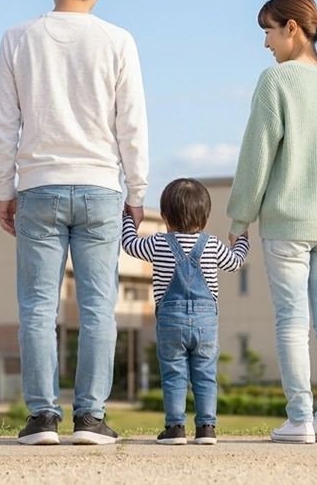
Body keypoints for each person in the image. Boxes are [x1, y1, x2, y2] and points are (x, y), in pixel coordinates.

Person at [0, 0, 149, 445]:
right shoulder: (118, 40)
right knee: (99, 307)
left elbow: (3, 123)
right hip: (103, 187)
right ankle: (90, 418)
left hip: (38, 187)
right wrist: (138, 188)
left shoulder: (18, 38)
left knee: (38, 307)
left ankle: (41, 418)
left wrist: (3, 188)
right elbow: (133, 124)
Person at [226, 0, 317, 444]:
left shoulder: (275, 81)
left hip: (287, 224)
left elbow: (256, 157)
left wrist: (240, 217)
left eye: (267, 30)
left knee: (292, 322)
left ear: (291, 28)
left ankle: (300, 421)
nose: (265, 43)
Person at [121, 178, 248, 445]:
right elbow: (236, 262)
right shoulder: (211, 245)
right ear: (205, 216)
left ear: (165, 216)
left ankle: (175, 428)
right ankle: (206, 429)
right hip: (206, 323)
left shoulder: (158, 243)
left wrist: (129, 219)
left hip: (170, 322)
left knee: (173, 374)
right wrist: (241, 240)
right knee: (205, 375)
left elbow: (130, 244)